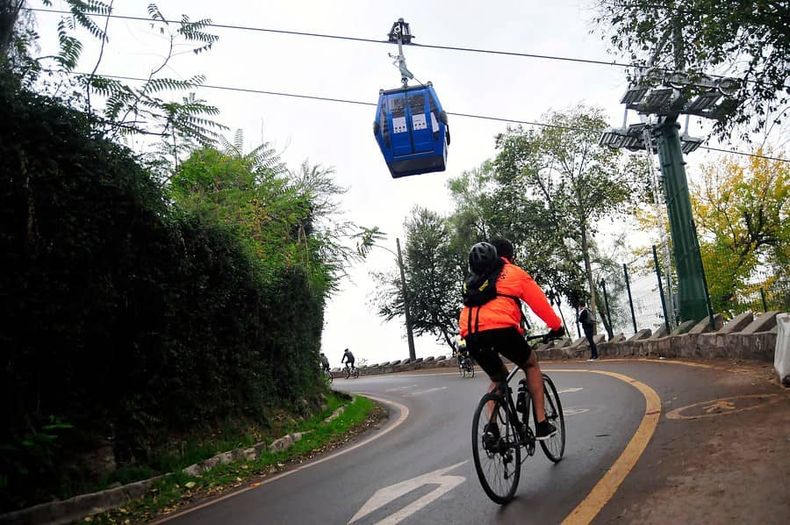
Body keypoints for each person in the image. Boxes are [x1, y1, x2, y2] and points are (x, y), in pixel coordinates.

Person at [460, 239, 565, 441]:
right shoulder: (514, 273)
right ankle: (542, 424)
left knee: (497, 378)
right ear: (510, 256)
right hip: (502, 330)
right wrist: (556, 327)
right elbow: (540, 305)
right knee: (531, 364)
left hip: (470, 334)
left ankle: (491, 429)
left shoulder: (473, 280)